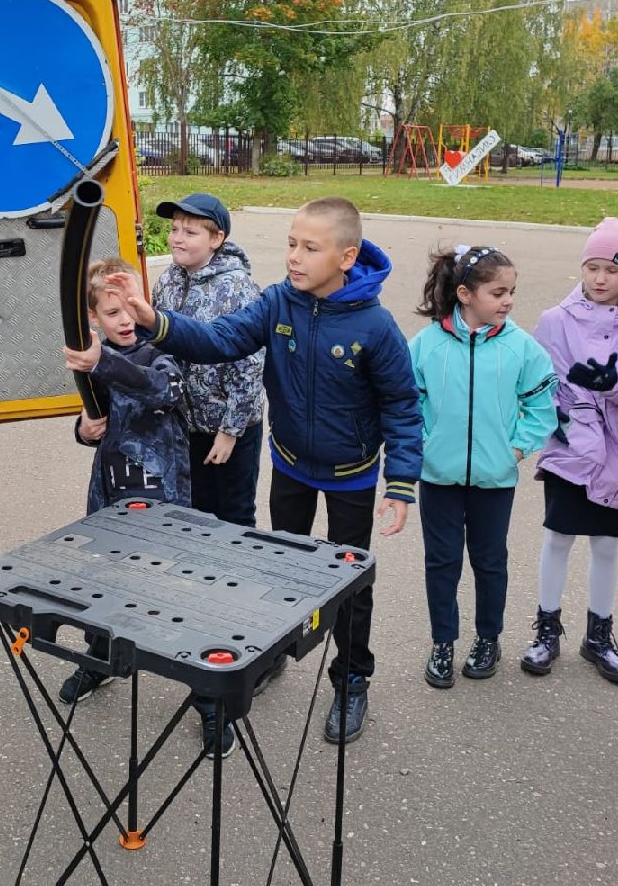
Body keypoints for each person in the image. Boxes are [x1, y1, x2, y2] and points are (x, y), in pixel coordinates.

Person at [107, 196, 423, 744]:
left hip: (351, 474)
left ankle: (351, 679)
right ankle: (271, 652)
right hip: (291, 466)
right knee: (278, 573)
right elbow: (219, 340)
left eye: (310, 248)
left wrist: (400, 484)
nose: (295, 257)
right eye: (292, 244)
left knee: (348, 586)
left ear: (347, 257)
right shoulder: (277, 302)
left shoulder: (376, 327)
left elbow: (401, 404)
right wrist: (155, 322)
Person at [59, 259, 237, 758]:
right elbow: (93, 418)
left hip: (164, 500)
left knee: (176, 596)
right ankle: (101, 657)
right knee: (105, 584)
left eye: (130, 308)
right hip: (110, 495)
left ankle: (208, 699)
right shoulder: (94, 358)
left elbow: (163, 391)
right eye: (111, 311)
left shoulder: (159, 351)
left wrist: (102, 364)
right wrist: (83, 428)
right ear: (93, 317)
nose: (123, 320)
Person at [524, 218, 618, 684]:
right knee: (558, 537)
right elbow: (542, 384)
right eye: (592, 267)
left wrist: (614, 383)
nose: (600, 278)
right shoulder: (556, 319)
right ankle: (546, 630)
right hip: (571, 449)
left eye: (611, 269)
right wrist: (574, 411)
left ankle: (599, 635)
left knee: (607, 545)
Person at [407, 245, 557, 688]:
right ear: (465, 294)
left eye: (512, 291)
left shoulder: (521, 347)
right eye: (498, 292)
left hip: (495, 479)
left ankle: (488, 638)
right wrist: (424, 444)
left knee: (490, 561)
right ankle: (443, 642)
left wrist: (516, 449)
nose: (508, 301)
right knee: (442, 562)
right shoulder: (427, 345)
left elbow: (541, 406)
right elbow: (406, 402)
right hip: (438, 477)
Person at [151, 193, 265, 528]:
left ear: (217, 239)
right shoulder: (168, 280)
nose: (177, 238)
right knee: (195, 511)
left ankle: (239, 578)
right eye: (174, 230)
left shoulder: (237, 287)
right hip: (187, 423)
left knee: (234, 514)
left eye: (190, 232)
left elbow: (251, 365)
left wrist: (230, 431)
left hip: (231, 427)